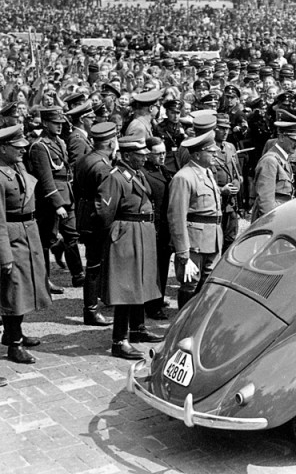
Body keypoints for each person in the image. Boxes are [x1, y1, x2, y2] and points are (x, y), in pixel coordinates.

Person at [95, 136, 163, 360]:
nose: (144, 158)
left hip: (142, 232)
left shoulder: (137, 173)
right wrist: (117, 233)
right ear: (126, 155)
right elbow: (104, 213)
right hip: (127, 233)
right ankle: (119, 340)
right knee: (125, 288)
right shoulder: (115, 177)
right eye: (139, 155)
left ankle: (137, 329)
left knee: (140, 283)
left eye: (144, 154)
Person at [0, 125, 51, 364]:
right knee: (13, 291)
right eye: (16, 147)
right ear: (2, 149)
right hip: (11, 237)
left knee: (23, 289)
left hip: (28, 232)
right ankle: (14, 344)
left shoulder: (17, 167)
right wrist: (4, 256)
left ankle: (14, 333)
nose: (22, 150)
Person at [25, 107, 84, 293]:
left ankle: (78, 274)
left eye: (61, 123)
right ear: (45, 123)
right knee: (46, 239)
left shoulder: (59, 142)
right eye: (55, 123)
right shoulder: (39, 146)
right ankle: (44, 281)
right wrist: (57, 203)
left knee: (72, 235)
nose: (59, 126)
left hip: (67, 194)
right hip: (50, 200)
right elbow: (45, 178)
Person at [167, 132, 224, 309]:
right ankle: (183, 322)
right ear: (197, 154)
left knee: (208, 285)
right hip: (194, 243)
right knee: (190, 284)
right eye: (211, 152)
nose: (215, 154)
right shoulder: (184, 177)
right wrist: (183, 253)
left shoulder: (207, 173)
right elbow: (176, 217)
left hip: (212, 239)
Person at [73, 122, 117, 327]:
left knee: (93, 263)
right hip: (97, 221)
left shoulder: (85, 159)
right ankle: (91, 310)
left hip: (84, 215)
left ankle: (94, 305)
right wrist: (109, 226)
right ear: (110, 143)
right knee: (96, 265)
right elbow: (105, 204)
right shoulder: (103, 166)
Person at [141, 137, 173, 321]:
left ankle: (158, 299)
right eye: (158, 153)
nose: (162, 156)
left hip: (164, 227)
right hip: (153, 227)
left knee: (163, 265)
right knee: (154, 268)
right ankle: (152, 306)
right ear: (148, 154)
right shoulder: (144, 173)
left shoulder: (163, 169)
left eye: (164, 153)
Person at [251, 117, 296, 222]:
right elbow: (265, 203)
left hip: (281, 217)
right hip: (271, 221)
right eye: (293, 140)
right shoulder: (270, 161)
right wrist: (272, 225)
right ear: (281, 137)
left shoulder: (283, 159)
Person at [212, 114, 242, 252]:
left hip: (230, 204)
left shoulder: (230, 147)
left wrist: (237, 183)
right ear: (214, 129)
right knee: (215, 241)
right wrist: (221, 190)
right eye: (221, 128)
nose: (225, 132)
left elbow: (237, 172)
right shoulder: (208, 149)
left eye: (227, 129)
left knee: (230, 239)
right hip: (215, 203)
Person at [154, 99, 187, 175]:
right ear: (166, 113)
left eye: (178, 113)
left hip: (181, 159)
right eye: (172, 113)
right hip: (167, 161)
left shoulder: (183, 126)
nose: (175, 116)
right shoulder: (159, 128)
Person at [66, 100, 95, 167]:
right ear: (81, 120)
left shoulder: (83, 136)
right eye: (90, 118)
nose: (93, 120)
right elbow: (76, 166)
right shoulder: (77, 139)